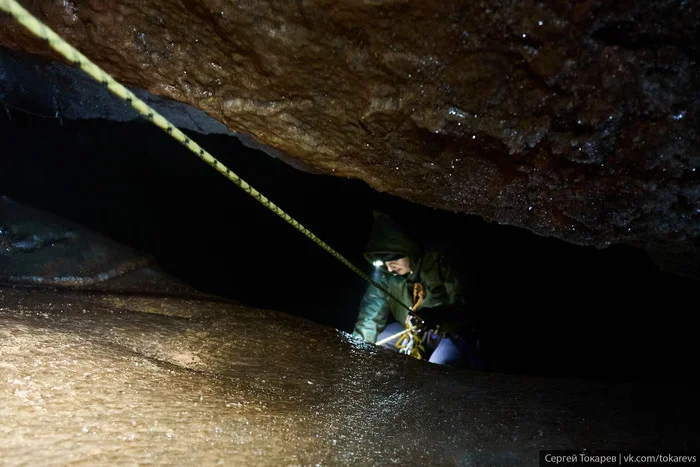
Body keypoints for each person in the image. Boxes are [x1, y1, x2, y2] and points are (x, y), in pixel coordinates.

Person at [352, 210, 483, 369]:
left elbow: (464, 307)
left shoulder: (438, 262)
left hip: (446, 332)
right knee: (379, 348)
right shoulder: (385, 275)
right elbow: (370, 315)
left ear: (408, 249)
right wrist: (355, 351)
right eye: (383, 261)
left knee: (439, 366)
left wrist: (437, 315)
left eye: (393, 258)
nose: (389, 266)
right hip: (410, 331)